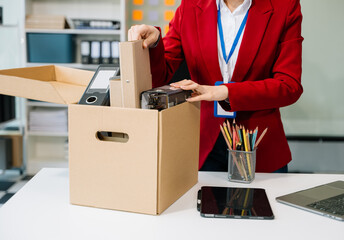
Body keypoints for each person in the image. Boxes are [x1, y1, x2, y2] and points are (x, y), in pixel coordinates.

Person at [128, 0, 303, 173]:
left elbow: (289, 85)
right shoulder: (190, 6)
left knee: (261, 201)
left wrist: (223, 91)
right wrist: (156, 42)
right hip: (204, 145)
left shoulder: (284, 6)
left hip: (257, 144)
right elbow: (160, 77)